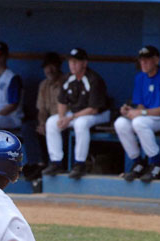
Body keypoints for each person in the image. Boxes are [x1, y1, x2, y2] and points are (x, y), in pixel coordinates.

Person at [43, 48, 110, 179]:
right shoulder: (68, 78)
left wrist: (70, 118)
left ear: (84, 63)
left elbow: (93, 109)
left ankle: (80, 164)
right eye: (71, 62)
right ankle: (56, 162)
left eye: (76, 62)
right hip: (76, 114)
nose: (72, 65)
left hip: (98, 114)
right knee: (52, 122)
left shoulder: (94, 79)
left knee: (81, 124)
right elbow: (62, 102)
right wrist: (62, 117)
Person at [114, 45, 160, 183]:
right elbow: (141, 105)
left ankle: (156, 163)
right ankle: (138, 162)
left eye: (147, 60)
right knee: (120, 123)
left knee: (139, 122)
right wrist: (130, 112)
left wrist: (141, 113)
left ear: (156, 60)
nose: (143, 63)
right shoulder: (140, 78)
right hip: (147, 118)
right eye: (141, 60)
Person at [21, 52, 66, 181]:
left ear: (59, 66)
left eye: (52, 66)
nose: (49, 70)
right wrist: (41, 123)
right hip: (48, 120)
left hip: (63, 119)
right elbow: (41, 110)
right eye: (47, 67)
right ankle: (37, 163)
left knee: (56, 125)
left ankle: (57, 164)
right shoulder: (43, 85)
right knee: (28, 127)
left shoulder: (66, 82)